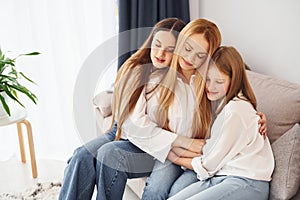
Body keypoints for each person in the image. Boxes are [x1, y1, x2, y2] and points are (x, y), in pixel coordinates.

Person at [59, 17, 187, 200]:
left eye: (170, 50)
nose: (160, 53)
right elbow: (131, 121)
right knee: (81, 156)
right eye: (157, 45)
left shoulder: (178, 81)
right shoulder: (135, 68)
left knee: (108, 155)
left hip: (150, 144)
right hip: (123, 130)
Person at [168, 46, 275, 200]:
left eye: (219, 81)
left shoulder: (235, 110)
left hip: (247, 181)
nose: (211, 87)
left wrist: (174, 157)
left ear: (235, 79)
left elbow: (209, 163)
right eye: (208, 80)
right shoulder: (221, 105)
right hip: (223, 175)